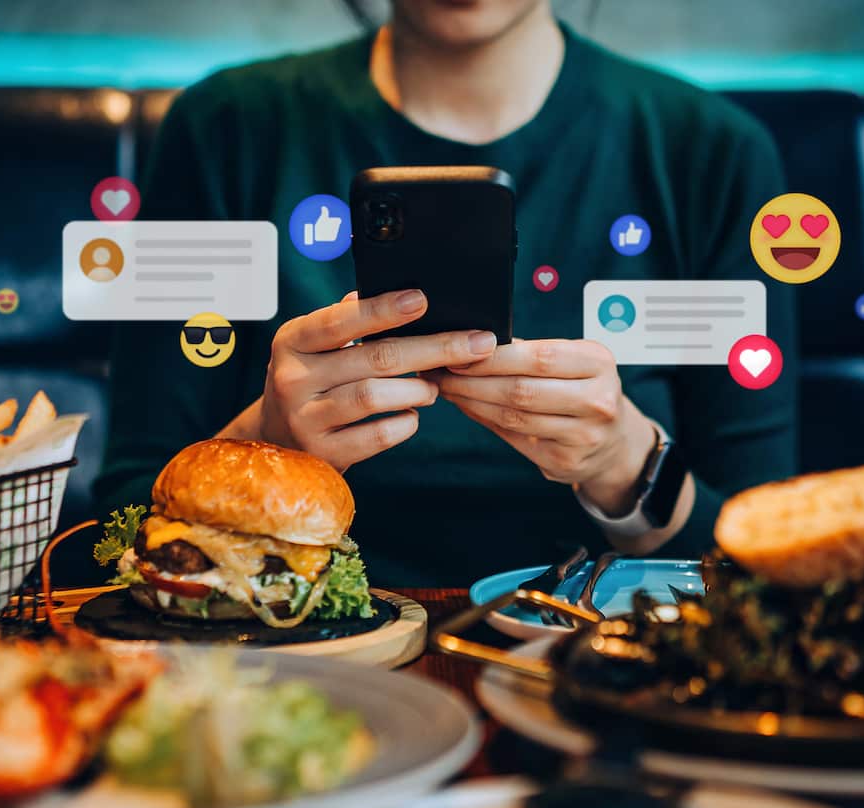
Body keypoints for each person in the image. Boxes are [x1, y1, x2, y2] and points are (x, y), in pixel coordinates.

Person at [95, 0, 797, 587]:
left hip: (603, 671)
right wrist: (263, 444)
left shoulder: (711, 156)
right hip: (293, 665)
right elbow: (120, 517)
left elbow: (763, 553)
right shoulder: (218, 131)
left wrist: (626, 464)